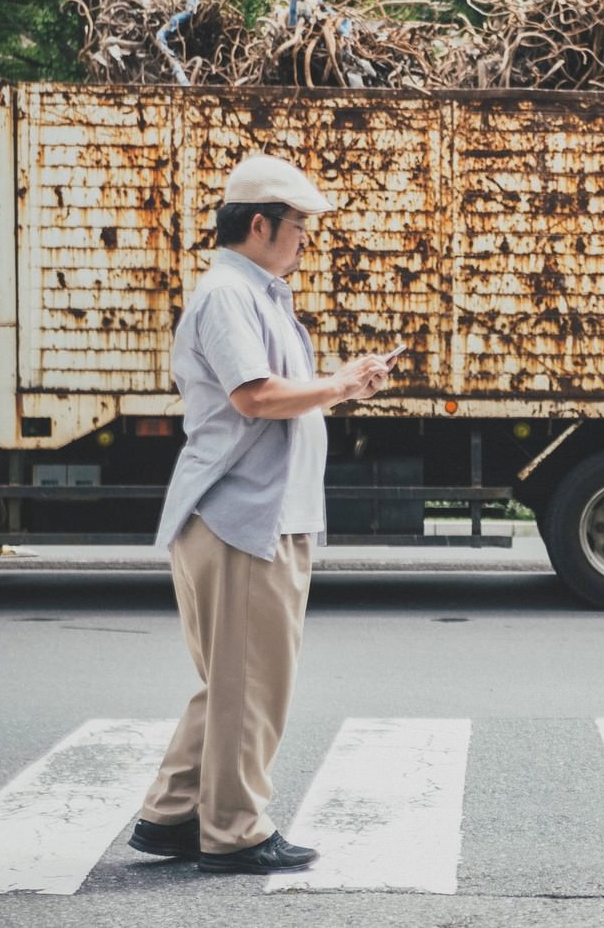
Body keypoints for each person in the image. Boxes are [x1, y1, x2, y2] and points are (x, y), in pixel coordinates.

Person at [128, 154, 390, 874]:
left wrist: (343, 385)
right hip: (242, 516)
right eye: (299, 226)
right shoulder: (226, 294)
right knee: (252, 684)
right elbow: (254, 395)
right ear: (260, 224)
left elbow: (280, 392)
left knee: (234, 681)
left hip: (263, 513)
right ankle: (235, 828)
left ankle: (173, 813)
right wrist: (335, 385)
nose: (306, 239)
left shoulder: (261, 293)